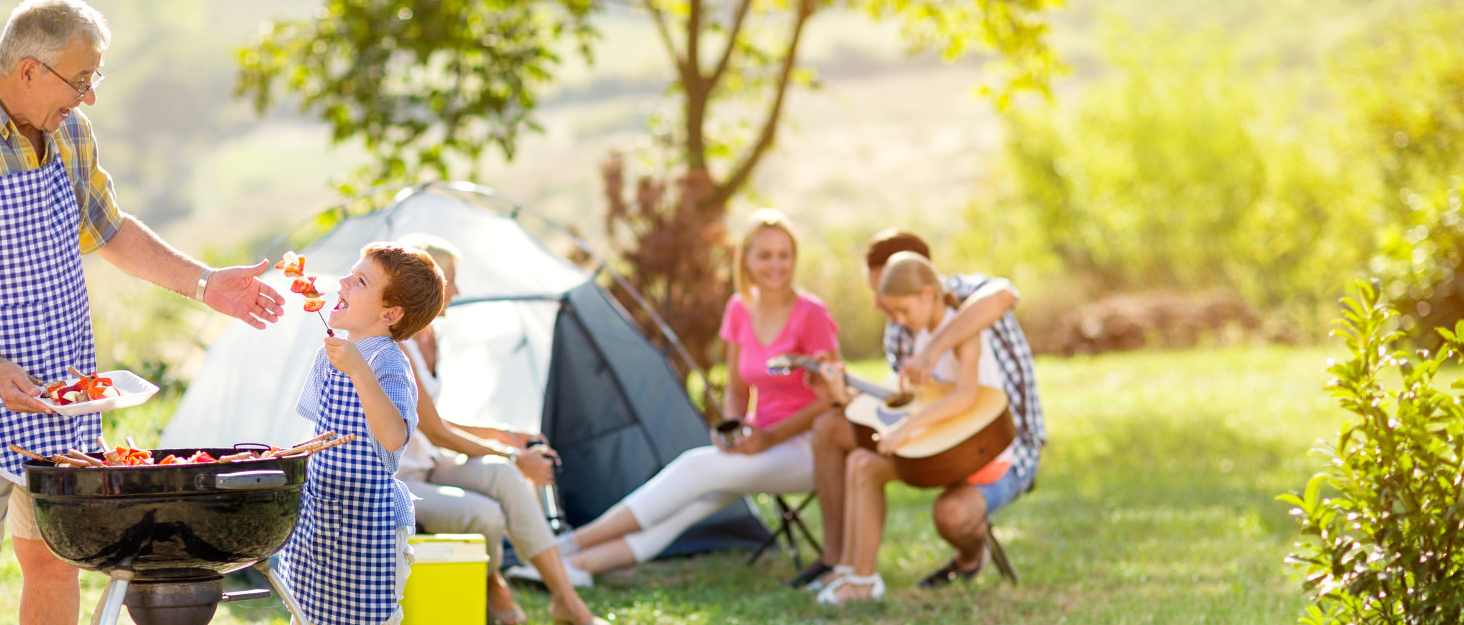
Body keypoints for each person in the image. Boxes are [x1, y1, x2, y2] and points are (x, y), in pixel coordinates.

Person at [0, 2, 285, 623]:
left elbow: (110, 229)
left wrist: (206, 284)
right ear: (28, 71)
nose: (89, 96)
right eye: (80, 80)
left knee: (54, 560)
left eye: (94, 78)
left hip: (57, 396)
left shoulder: (70, 130)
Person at [547, 208, 841, 578]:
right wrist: (735, 429)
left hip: (810, 450)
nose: (776, 265)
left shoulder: (811, 314)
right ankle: (575, 567)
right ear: (746, 259)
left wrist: (769, 438)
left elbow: (832, 398)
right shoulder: (740, 309)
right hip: (758, 445)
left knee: (695, 468)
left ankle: (563, 546)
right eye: (765, 255)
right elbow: (736, 388)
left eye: (784, 255)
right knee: (694, 502)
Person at [791, 230, 1046, 599]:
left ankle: (872, 576)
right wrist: (840, 393)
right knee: (862, 462)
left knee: (937, 503)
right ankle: (855, 574)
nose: (893, 317)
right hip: (939, 441)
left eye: (900, 308)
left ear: (926, 291)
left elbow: (964, 397)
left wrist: (907, 428)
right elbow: (907, 401)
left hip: (982, 450)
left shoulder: (962, 325)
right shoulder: (916, 328)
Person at [393, 234, 606, 625]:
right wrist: (514, 455)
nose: (457, 291)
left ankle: (565, 598)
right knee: (487, 513)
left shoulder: (430, 336)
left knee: (503, 475)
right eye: (450, 279)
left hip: (431, 463)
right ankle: (492, 584)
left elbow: (432, 420)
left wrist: (503, 436)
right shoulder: (400, 345)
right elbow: (437, 432)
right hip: (402, 478)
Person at [278, 242, 446, 625]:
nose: (342, 282)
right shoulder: (331, 353)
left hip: (367, 522)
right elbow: (324, 432)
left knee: (366, 616)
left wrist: (359, 371)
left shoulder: (390, 362)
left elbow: (394, 437)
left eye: (360, 281)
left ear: (390, 313)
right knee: (308, 613)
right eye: (350, 274)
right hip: (321, 510)